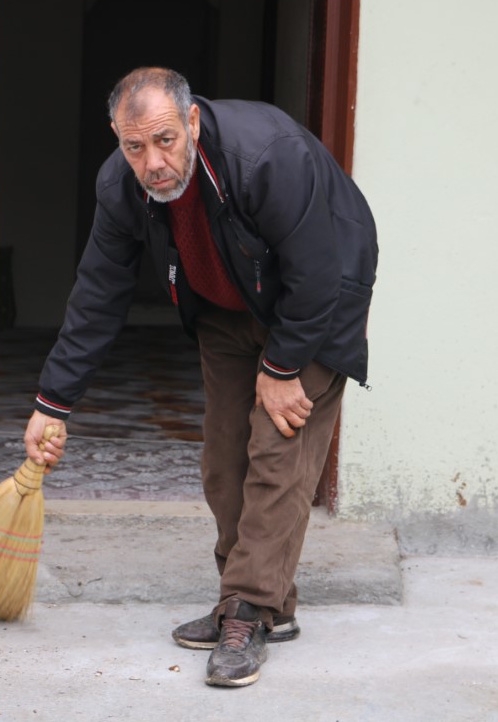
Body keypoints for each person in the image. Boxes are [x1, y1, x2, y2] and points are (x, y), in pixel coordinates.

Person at [24, 67, 378, 688]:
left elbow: (319, 272)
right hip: (224, 308)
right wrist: (53, 401)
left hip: (317, 304)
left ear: (190, 121)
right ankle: (260, 603)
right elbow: (99, 293)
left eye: (165, 140)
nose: (152, 162)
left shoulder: (266, 156)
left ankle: (246, 609)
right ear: (116, 138)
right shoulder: (122, 184)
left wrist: (282, 365)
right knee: (223, 462)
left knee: (277, 453)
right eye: (134, 146)